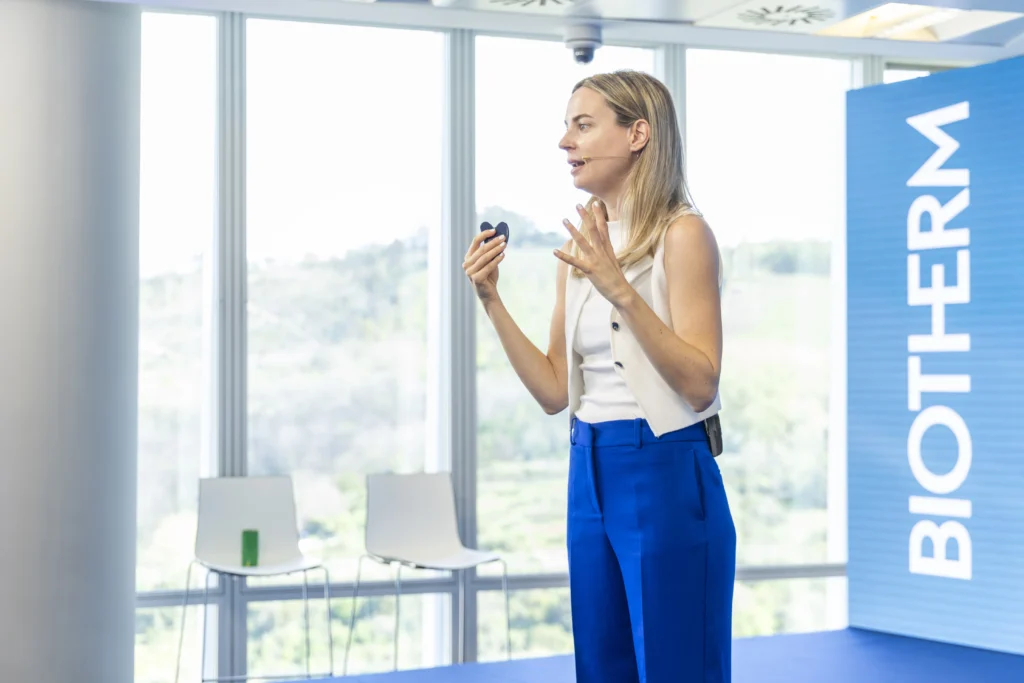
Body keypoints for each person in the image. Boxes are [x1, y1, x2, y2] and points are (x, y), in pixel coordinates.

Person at [463, 69, 736, 683]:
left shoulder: (683, 234)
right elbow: (553, 391)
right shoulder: (584, 247)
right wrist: (491, 299)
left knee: (677, 667)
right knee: (601, 666)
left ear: (638, 134)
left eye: (583, 126)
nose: (566, 142)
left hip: (666, 467)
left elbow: (701, 384)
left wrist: (620, 290)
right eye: (567, 127)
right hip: (588, 468)